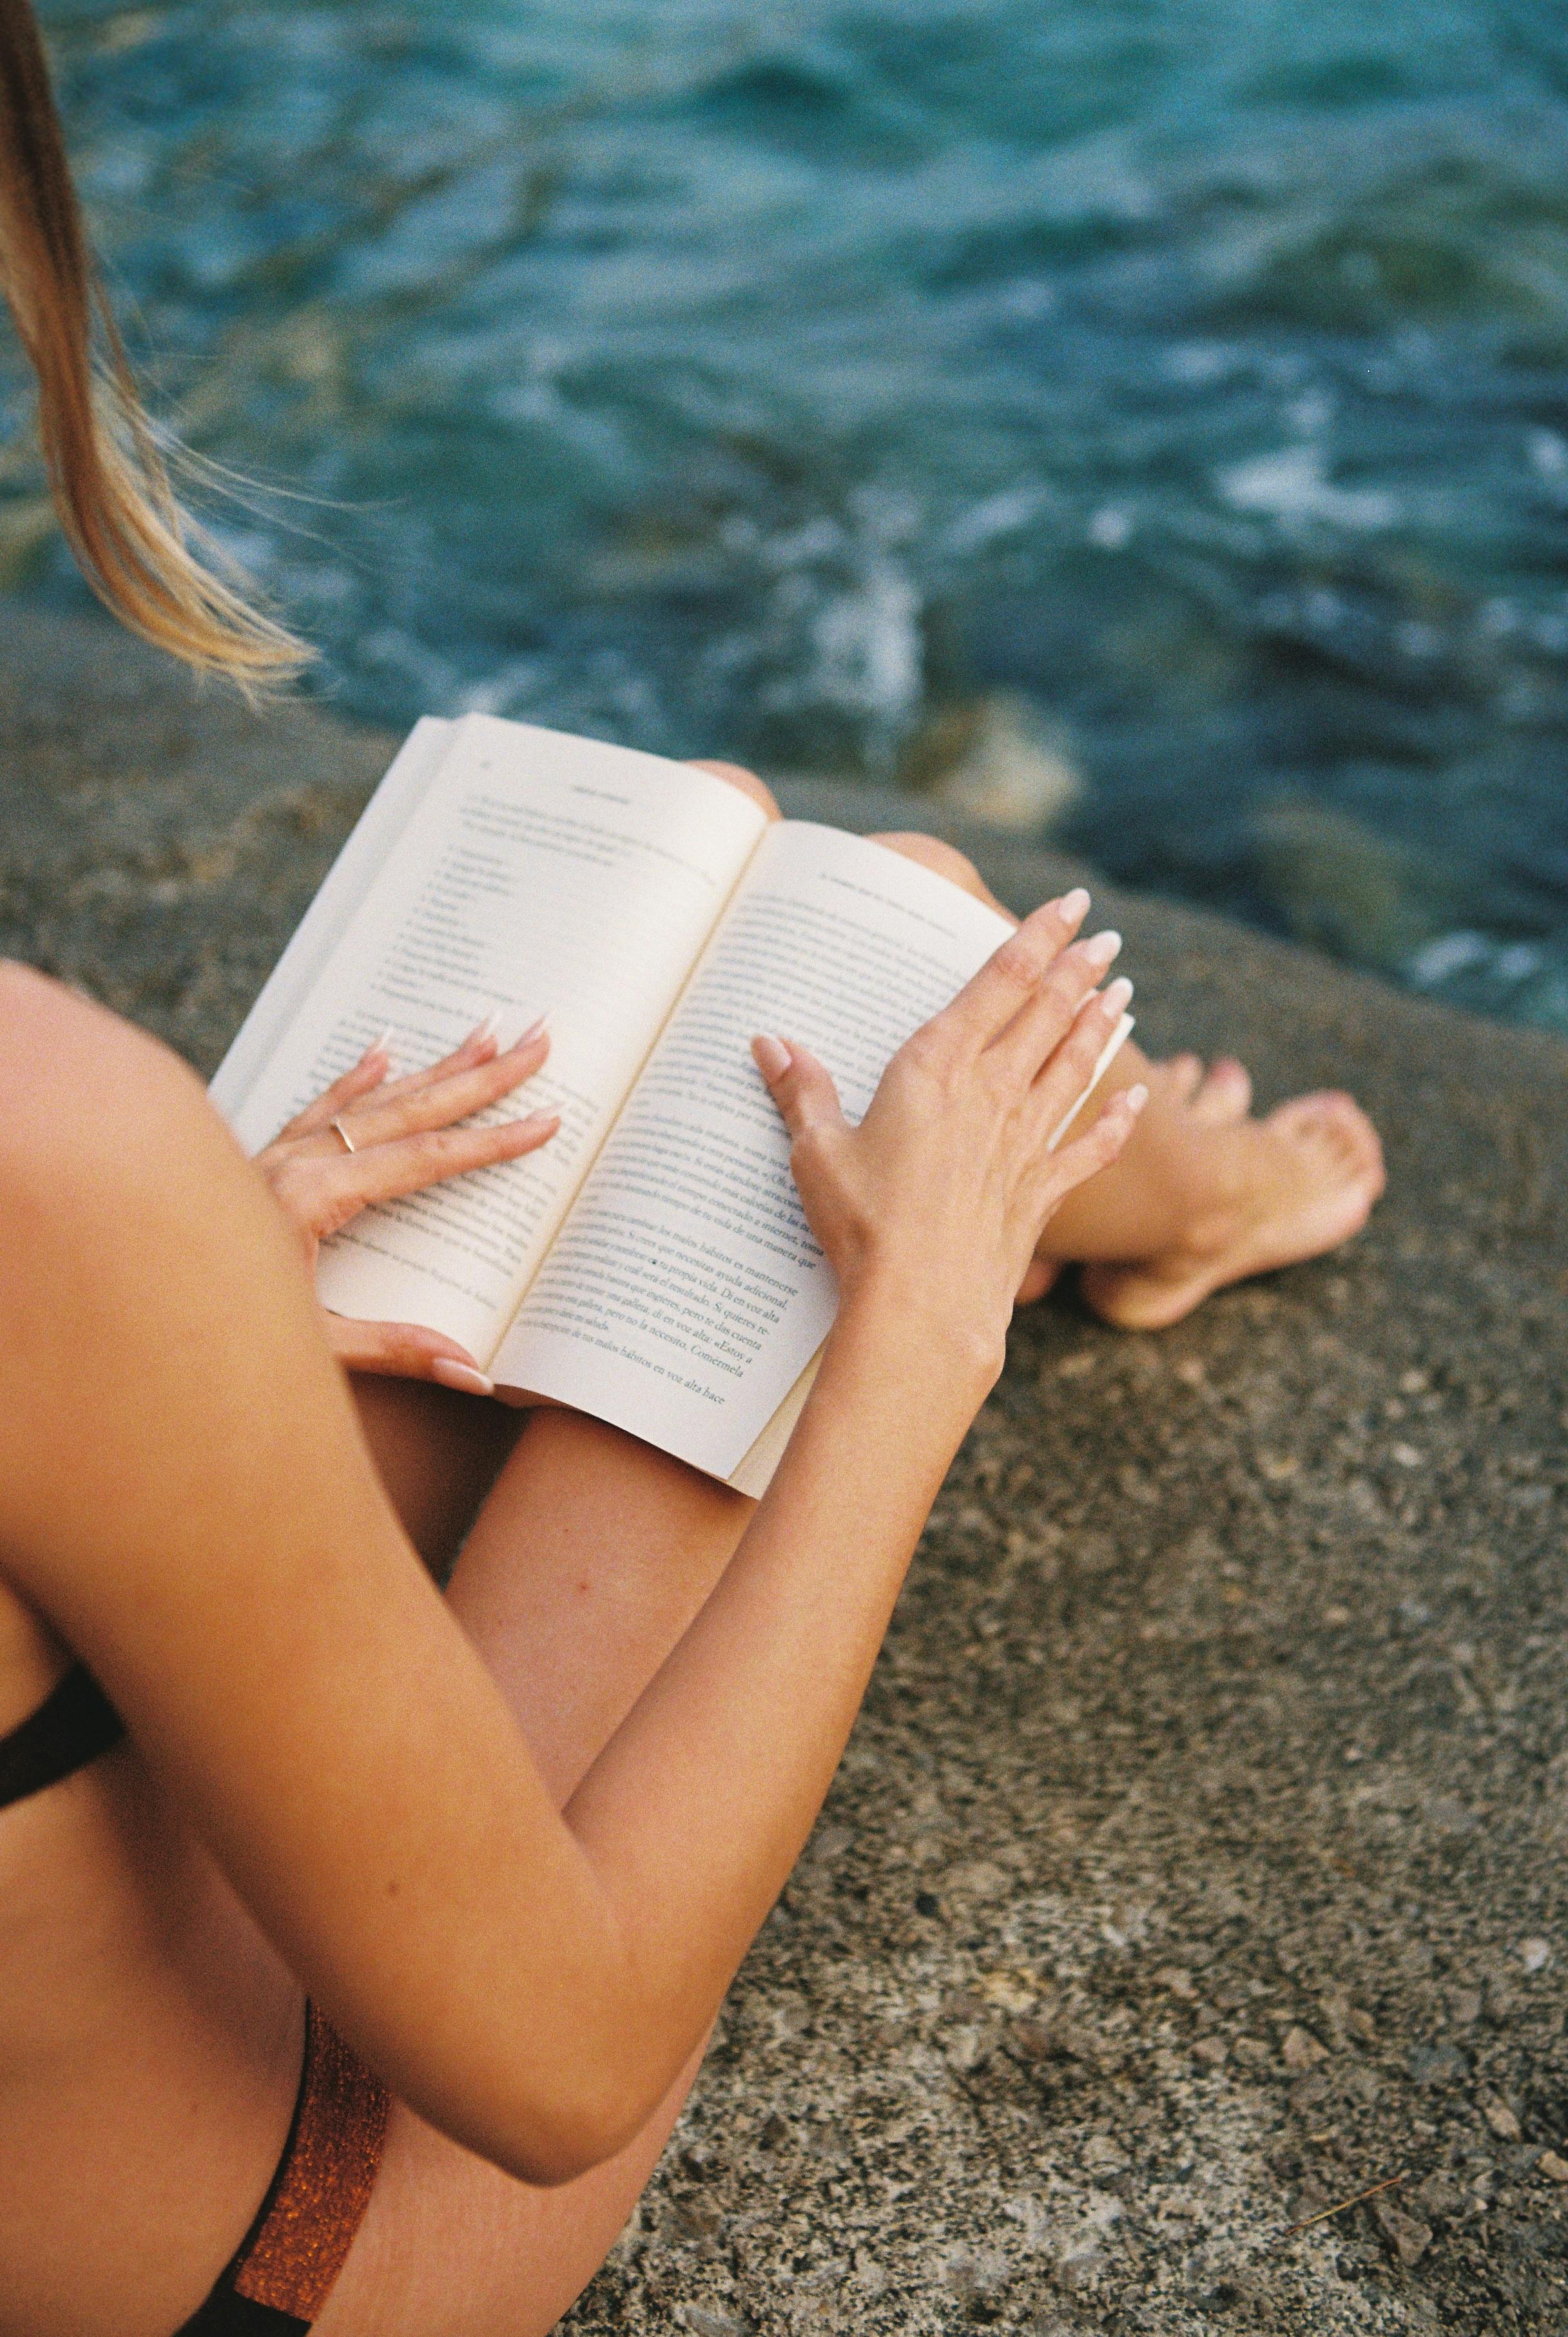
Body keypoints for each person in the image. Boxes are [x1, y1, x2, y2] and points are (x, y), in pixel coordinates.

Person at [0, 6, 1385, 2331]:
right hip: (286, 2234)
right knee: (881, 975)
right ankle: (1147, 1199)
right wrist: (916, 1334)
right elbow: (562, 2051)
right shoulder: (50, 1162)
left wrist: (190, 1278)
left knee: (757, 1006)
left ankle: (1136, 1184)